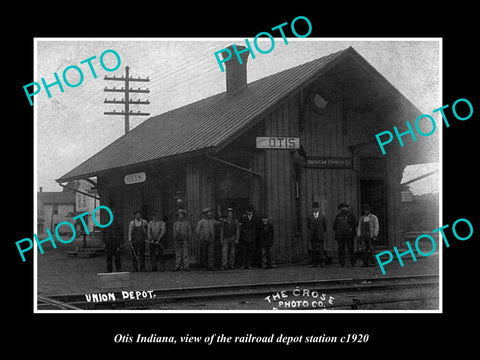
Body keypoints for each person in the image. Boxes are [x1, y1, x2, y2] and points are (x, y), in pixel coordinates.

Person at [333, 203, 357, 267]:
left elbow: (355, 222)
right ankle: (342, 263)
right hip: (340, 235)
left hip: (349, 235)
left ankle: (353, 262)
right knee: (341, 249)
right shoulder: (338, 216)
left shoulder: (351, 215)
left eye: (345, 207)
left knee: (351, 249)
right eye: (342, 207)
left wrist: (351, 228)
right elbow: (335, 225)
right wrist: (337, 230)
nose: (343, 208)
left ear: (347, 208)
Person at [307, 202, 327, 267]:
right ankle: (314, 262)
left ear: (319, 208)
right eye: (314, 208)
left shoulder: (322, 216)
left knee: (321, 249)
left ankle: (322, 262)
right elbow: (308, 226)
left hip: (320, 235)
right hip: (313, 235)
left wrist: (321, 231)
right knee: (314, 250)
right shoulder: (310, 217)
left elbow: (325, 226)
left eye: (316, 208)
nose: (315, 209)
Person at [239, 205, 258, 269]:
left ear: (252, 212)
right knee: (244, 252)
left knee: (251, 251)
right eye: (248, 211)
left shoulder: (255, 218)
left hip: (252, 237)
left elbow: (256, 228)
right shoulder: (243, 218)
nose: (249, 212)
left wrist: (254, 236)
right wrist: (243, 236)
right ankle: (244, 264)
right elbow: (242, 228)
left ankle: (249, 264)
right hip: (245, 238)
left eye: (250, 211)